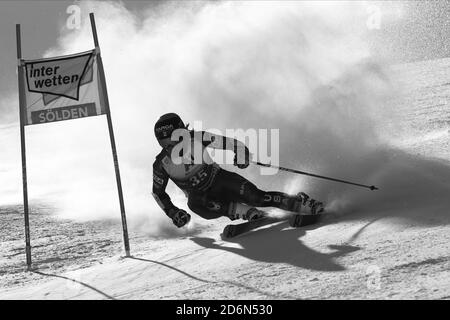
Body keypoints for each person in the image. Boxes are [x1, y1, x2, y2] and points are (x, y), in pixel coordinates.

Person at [152, 113, 324, 228]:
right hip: (203, 198)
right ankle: (248, 213)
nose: (172, 147)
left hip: (220, 180)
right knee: (195, 203)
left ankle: (300, 202)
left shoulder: (198, 138)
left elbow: (231, 143)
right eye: (165, 145)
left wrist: (242, 154)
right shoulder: (162, 164)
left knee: (257, 197)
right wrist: (173, 212)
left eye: (175, 141)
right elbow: (158, 193)